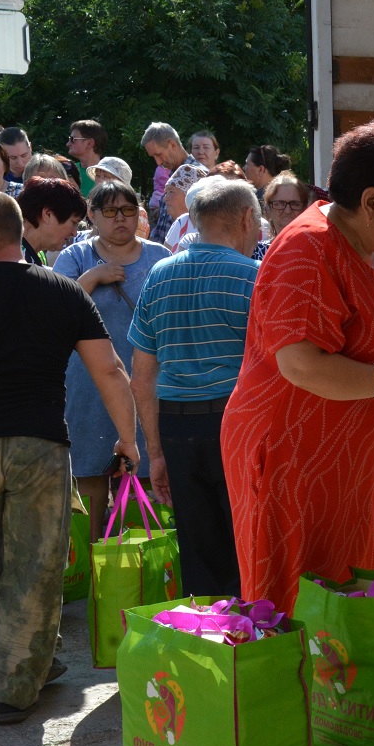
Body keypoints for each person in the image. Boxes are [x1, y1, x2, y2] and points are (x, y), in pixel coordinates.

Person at [220, 117, 374, 615]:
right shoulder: (307, 247)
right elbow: (301, 364)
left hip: (339, 454)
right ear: (370, 202)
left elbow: (365, 350)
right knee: (292, 599)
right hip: (289, 454)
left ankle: (333, 693)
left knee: (341, 598)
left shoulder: (366, 244)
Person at [0, 190, 139, 724]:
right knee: (36, 567)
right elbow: (110, 371)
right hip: (41, 446)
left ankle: (21, 670)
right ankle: (20, 680)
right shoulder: (61, 292)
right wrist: (130, 439)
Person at [128, 179, 261, 597]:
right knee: (249, 544)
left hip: (175, 427)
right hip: (238, 425)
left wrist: (154, 451)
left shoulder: (159, 275)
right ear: (245, 218)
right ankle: (255, 641)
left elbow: (142, 375)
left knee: (198, 551)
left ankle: (207, 644)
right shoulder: (254, 277)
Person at [54, 182, 169, 542]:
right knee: (89, 475)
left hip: (146, 384)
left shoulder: (160, 257)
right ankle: (91, 577)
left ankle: (150, 572)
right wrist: (92, 278)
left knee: (152, 472)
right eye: (109, 211)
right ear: (92, 214)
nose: (120, 218)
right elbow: (55, 315)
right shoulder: (75, 257)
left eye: (129, 210)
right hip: (89, 386)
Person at [141, 123, 198, 244]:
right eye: (153, 157)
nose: (158, 162)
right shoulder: (173, 174)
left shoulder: (198, 176)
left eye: (159, 154)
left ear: (172, 144)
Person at [17, 177, 86, 266]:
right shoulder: (12, 256)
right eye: (73, 222)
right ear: (48, 214)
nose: (75, 233)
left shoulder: (37, 254)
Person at [161, 163, 211, 252]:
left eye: (171, 191)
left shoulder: (211, 226)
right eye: (166, 192)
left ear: (189, 194)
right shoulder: (181, 222)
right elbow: (163, 255)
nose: (165, 198)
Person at [262, 170, 311, 239]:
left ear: (305, 209)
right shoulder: (257, 249)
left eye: (295, 204)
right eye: (280, 204)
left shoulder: (316, 248)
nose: (288, 211)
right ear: (268, 209)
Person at [67, 120, 107, 197]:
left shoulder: (109, 173)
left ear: (89, 143)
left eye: (72, 139)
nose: (68, 144)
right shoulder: (68, 171)